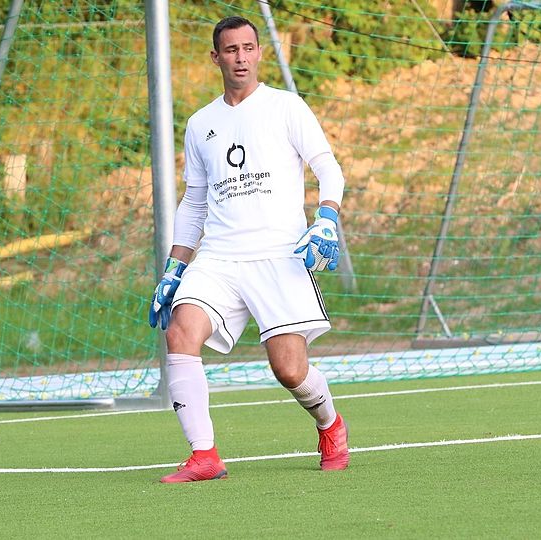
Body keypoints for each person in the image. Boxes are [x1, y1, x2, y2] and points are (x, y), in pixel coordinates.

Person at [148, 15, 349, 483]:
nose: (240, 58)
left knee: (290, 370)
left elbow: (329, 169)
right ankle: (204, 456)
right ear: (215, 57)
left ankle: (330, 424)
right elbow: (194, 201)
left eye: (248, 48)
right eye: (231, 50)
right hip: (218, 258)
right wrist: (175, 268)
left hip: (280, 256)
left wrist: (326, 219)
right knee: (180, 332)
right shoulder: (200, 124)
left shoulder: (286, 107)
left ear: (259, 52)